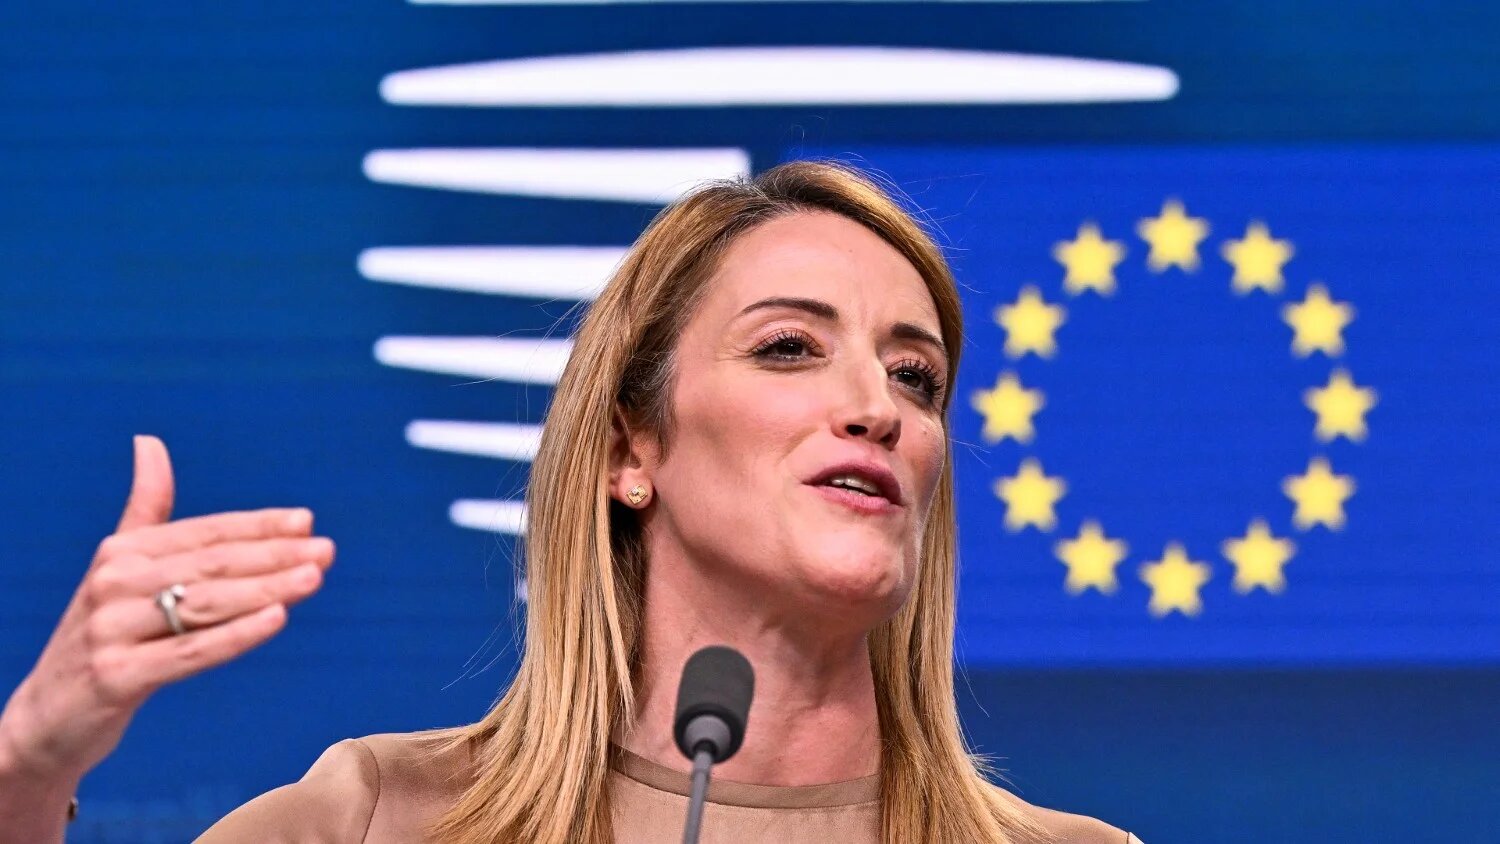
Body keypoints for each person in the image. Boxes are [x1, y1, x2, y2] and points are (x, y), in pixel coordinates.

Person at [0, 160, 1144, 843]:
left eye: (916, 376)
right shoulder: (380, 819)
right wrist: (32, 763)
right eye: (790, 347)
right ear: (628, 448)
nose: (876, 407)